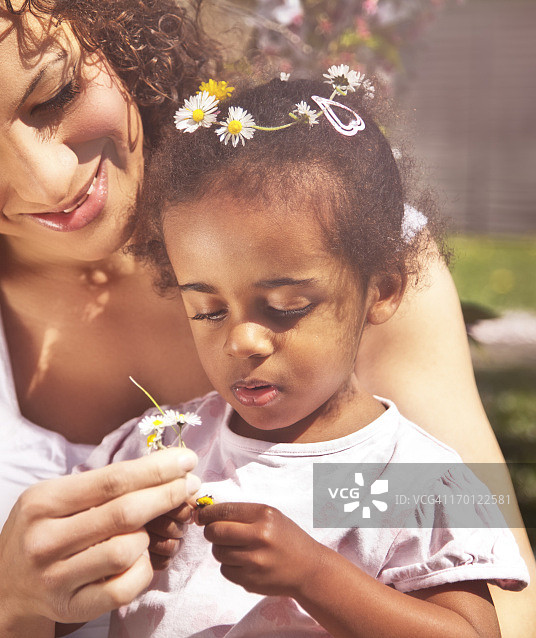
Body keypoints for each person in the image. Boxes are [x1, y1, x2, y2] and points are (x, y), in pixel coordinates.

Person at [0, 1, 533, 636]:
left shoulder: (339, 247)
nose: (50, 178)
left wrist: (314, 551)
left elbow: (492, 581)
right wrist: (6, 599)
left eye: (54, 95)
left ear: (108, 30)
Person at [78, 74, 529, 637]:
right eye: (209, 310)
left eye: (286, 305)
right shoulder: (161, 449)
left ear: (382, 291)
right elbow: (46, 598)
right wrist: (118, 552)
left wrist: (315, 576)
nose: (242, 340)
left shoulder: (406, 477)